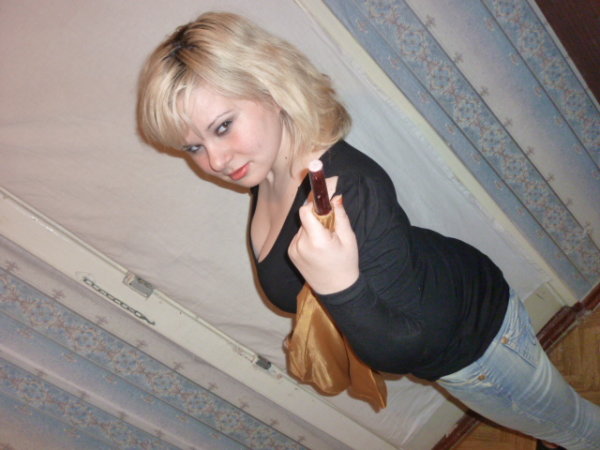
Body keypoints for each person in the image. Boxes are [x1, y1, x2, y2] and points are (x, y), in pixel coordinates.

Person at [137, 11, 600, 449]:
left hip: (477, 343)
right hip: (452, 296)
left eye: (223, 127)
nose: (216, 161)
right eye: (194, 147)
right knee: (554, 421)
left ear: (272, 90)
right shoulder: (267, 170)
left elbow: (402, 352)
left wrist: (339, 286)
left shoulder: (349, 186)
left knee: (579, 429)